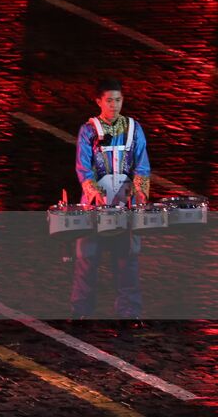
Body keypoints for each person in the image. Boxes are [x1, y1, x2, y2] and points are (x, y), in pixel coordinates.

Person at [72, 78, 150, 324]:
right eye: (109, 100)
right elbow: (84, 168)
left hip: (125, 202)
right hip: (95, 203)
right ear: (99, 101)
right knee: (88, 256)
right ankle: (81, 310)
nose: (114, 105)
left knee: (127, 257)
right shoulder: (88, 130)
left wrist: (140, 194)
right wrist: (94, 193)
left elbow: (142, 166)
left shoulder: (134, 129)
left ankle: (130, 312)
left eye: (118, 100)